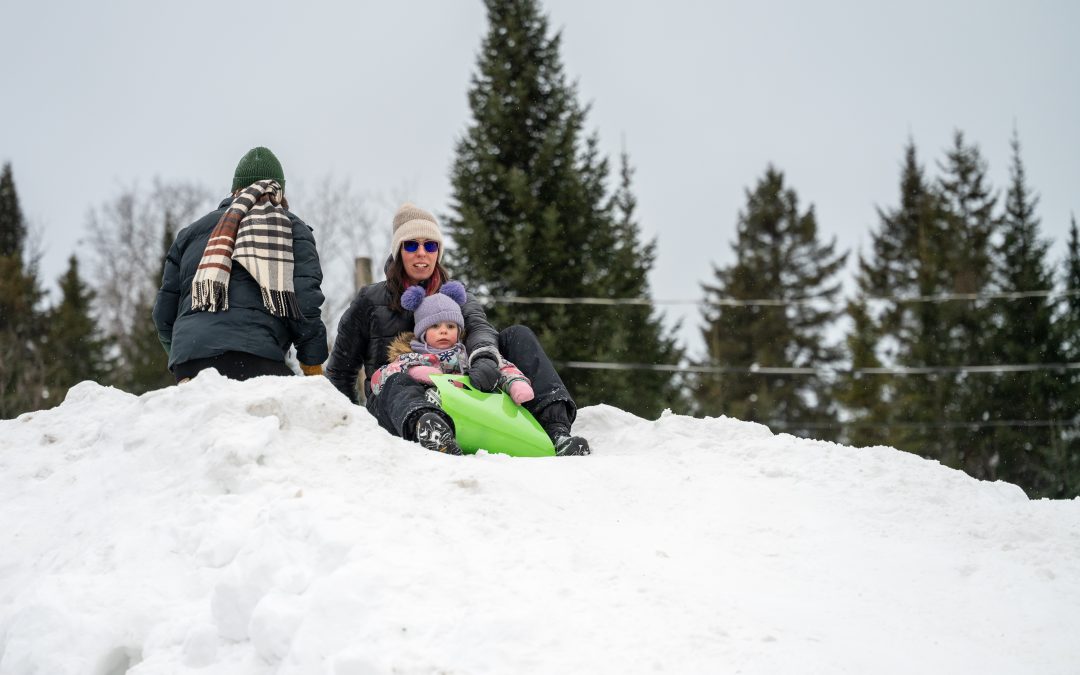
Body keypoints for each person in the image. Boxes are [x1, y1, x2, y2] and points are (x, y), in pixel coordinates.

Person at [325, 202, 590, 456]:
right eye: (411, 245)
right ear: (398, 251)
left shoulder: (456, 295)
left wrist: (485, 358)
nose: (421, 253)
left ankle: (555, 432)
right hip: (397, 403)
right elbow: (341, 371)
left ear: (438, 252)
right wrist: (351, 426)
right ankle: (429, 429)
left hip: (461, 388)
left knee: (517, 335)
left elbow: (479, 328)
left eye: (430, 245)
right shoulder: (370, 301)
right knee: (396, 379)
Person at [153, 146, 328, 382]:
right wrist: (312, 363)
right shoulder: (290, 228)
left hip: (190, 363)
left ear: (235, 189)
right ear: (279, 192)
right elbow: (304, 302)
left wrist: (185, 353)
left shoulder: (189, 235)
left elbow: (163, 314)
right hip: (256, 357)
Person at [367, 280, 536, 454]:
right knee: (398, 382)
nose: (443, 331)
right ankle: (429, 428)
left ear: (459, 330)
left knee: (486, 373)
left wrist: (516, 382)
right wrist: (413, 371)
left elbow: (501, 367)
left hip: (469, 412)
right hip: (429, 409)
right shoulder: (412, 357)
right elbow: (378, 380)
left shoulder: (467, 356)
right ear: (422, 333)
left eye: (450, 326)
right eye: (435, 326)